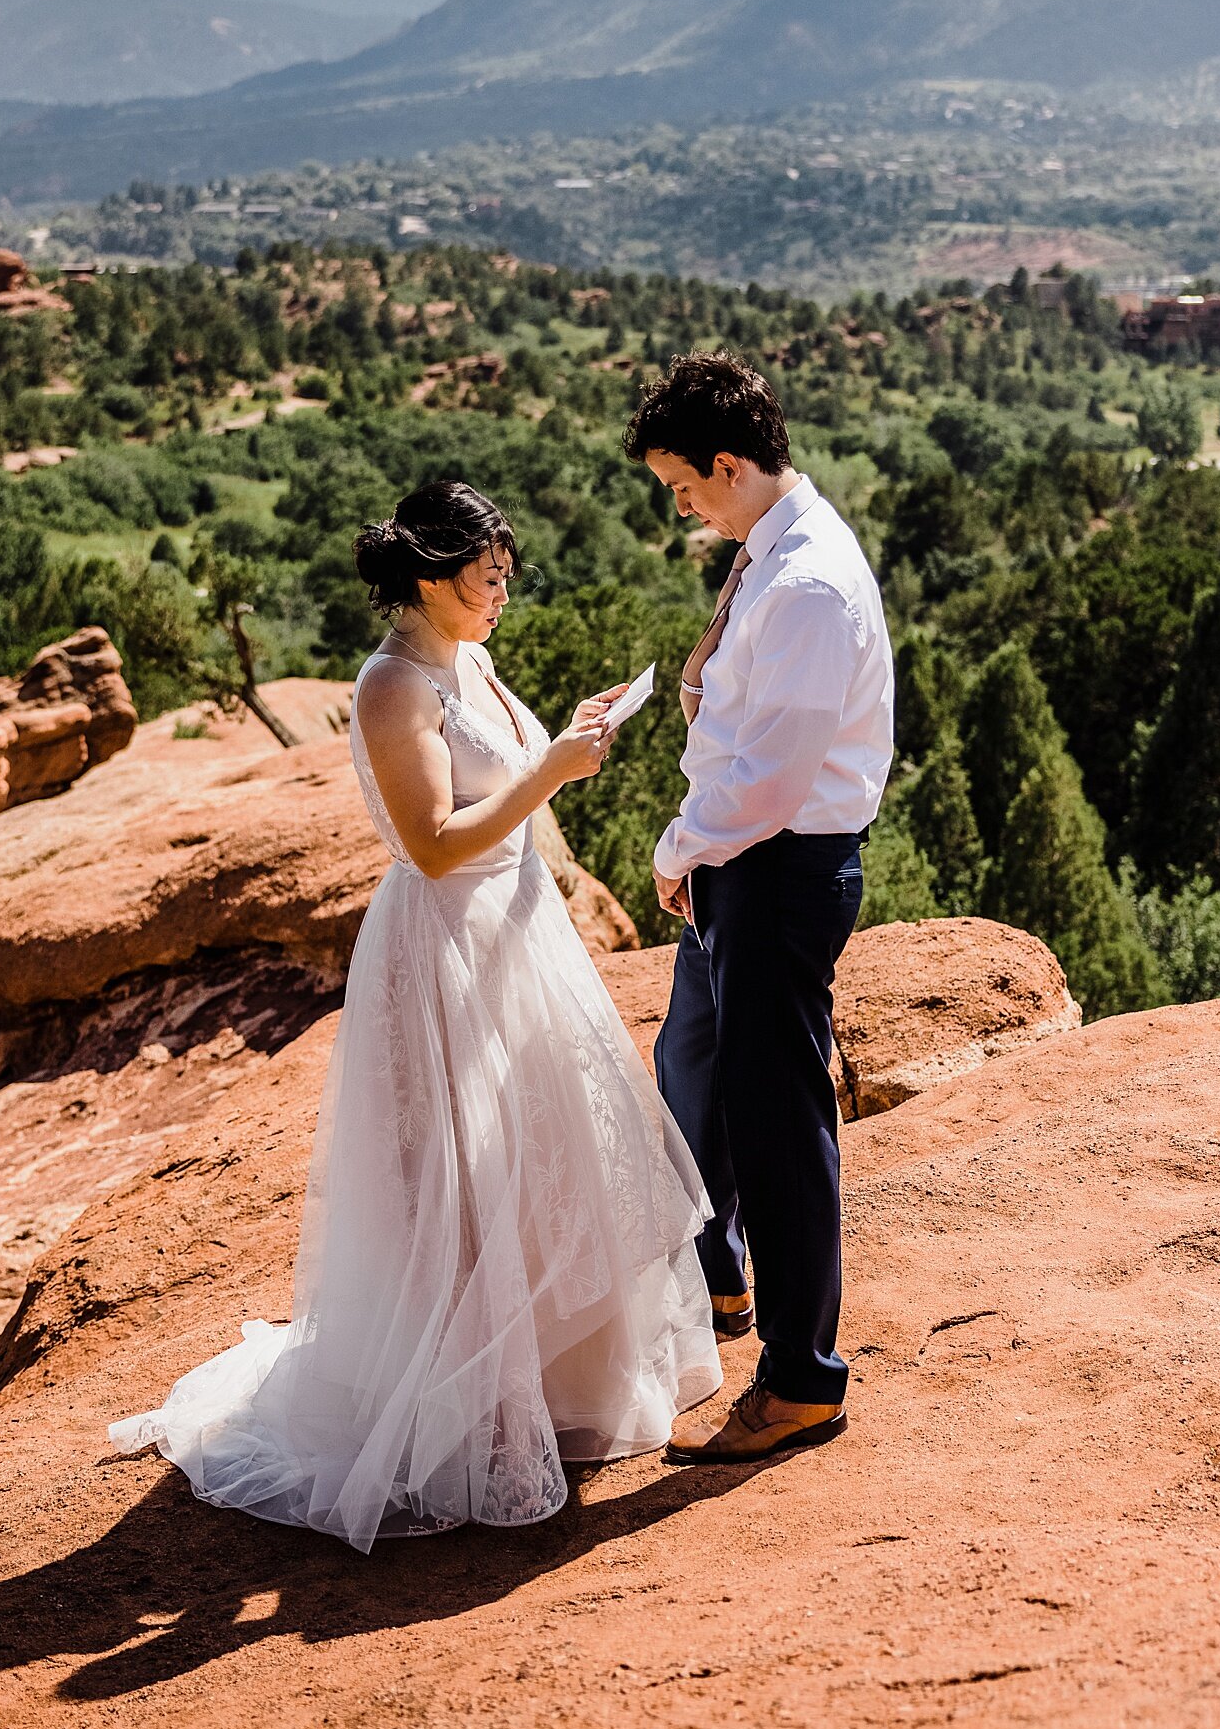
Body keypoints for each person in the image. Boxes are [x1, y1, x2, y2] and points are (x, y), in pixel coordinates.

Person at [109, 479, 719, 1551]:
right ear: (432, 577)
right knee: (465, 1177)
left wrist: (567, 742)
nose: (502, 592)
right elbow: (435, 841)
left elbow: (504, 783)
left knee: (541, 1158)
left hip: (517, 930)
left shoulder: (465, 658)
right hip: (447, 945)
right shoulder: (394, 685)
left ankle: (550, 1385)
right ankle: (467, 1413)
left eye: (505, 573)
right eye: (488, 575)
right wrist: (554, 770)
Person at [626, 355, 894, 1465]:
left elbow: (775, 779)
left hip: (775, 869)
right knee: (693, 1061)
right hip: (743, 862)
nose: (678, 505)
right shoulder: (771, 557)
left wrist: (678, 847)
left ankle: (800, 1380)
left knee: (778, 1118)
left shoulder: (807, 585)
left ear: (728, 464)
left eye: (682, 484)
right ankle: (719, 1273)